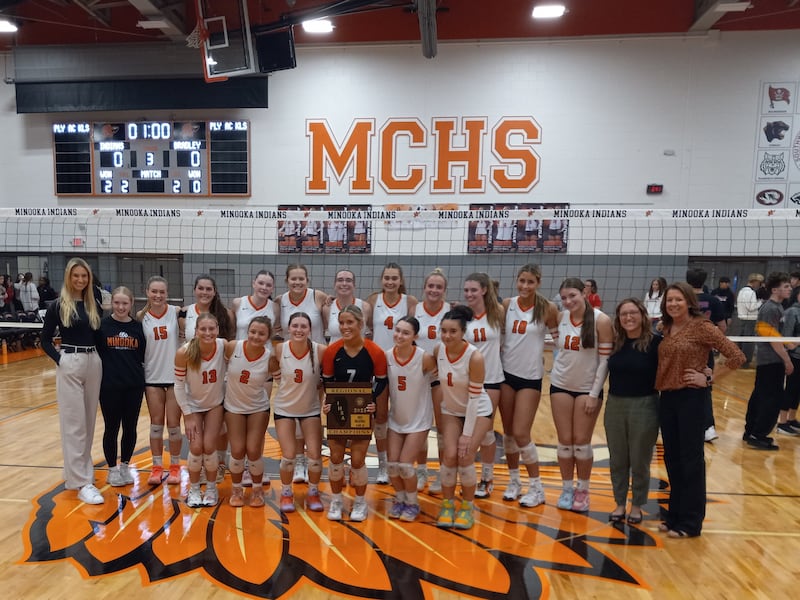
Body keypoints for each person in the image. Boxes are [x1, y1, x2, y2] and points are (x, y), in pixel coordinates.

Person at [656, 282, 745, 538]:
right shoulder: (666, 328)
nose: (673, 304)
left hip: (691, 399)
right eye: (669, 300)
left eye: (678, 299)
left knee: (691, 460)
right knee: (672, 459)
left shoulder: (702, 327)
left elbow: (737, 357)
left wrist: (708, 378)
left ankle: (691, 522)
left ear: (689, 302)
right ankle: (674, 515)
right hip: (667, 398)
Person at [40, 258, 104, 505]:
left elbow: (98, 337)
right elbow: (45, 340)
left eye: (84, 276)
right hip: (71, 360)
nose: (80, 280)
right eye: (76, 275)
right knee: (74, 424)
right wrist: (61, 360)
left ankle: (78, 473)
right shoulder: (58, 305)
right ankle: (82, 482)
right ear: (69, 277)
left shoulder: (93, 303)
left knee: (88, 422)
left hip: (93, 361)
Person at [549, 277, 614, 512]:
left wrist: (594, 394)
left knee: (581, 443)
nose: (568, 301)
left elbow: (605, 361)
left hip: (588, 389)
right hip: (560, 385)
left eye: (572, 296)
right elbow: (560, 349)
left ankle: (583, 490)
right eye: (564, 298)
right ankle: (567, 489)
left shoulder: (601, 320)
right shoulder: (561, 317)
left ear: (584, 294)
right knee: (565, 442)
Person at [500, 264, 559, 506]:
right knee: (508, 434)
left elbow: (560, 340)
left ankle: (537, 487)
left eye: (530, 282)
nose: (525, 286)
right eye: (521, 281)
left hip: (530, 377)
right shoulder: (507, 305)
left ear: (538, 283)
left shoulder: (548, 308)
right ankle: (514, 482)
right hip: (506, 374)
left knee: (521, 432)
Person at [322, 304, 388, 521]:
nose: (345, 327)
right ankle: (336, 500)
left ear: (361, 324)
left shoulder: (375, 351)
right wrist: (328, 402)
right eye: (341, 322)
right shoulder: (332, 351)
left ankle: (360, 502)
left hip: (361, 410)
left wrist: (372, 400)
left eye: (350, 322)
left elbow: (381, 380)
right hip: (338, 409)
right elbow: (328, 381)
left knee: (358, 460)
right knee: (335, 457)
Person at [434, 305, 494, 530]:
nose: (447, 336)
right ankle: (447, 505)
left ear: (463, 332)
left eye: (453, 331)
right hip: (451, 411)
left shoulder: (474, 357)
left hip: (478, 411)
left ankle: (467, 508)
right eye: (443, 331)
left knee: (466, 455)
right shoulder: (438, 350)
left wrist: (467, 435)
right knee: (449, 456)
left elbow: (475, 399)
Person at [604, 298, 661, 525]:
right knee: (617, 458)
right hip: (615, 405)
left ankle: (637, 505)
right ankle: (619, 503)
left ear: (642, 315)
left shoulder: (656, 343)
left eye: (633, 313)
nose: (628, 317)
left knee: (639, 460)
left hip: (645, 406)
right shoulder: (615, 343)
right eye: (623, 314)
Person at [269, 312, 327, 513]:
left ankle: (313, 492)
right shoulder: (280, 349)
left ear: (310, 329)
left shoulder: (320, 350)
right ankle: (286, 493)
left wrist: (323, 389)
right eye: (295, 326)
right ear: (288, 328)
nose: (299, 330)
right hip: (285, 408)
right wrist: (280, 380)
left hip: (310, 410)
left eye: (303, 326)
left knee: (315, 456)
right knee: (288, 456)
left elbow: (328, 375)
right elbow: (271, 365)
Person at [367, 262, 417, 484]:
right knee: (380, 417)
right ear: (381, 280)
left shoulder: (410, 302)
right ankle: (383, 465)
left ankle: (410, 464)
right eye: (386, 278)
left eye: (394, 278)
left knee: (403, 415)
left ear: (401, 280)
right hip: (379, 365)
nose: (390, 282)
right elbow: (366, 325)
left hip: (403, 365)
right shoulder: (373, 300)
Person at [279, 263, 328, 484]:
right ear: (287, 280)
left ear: (307, 280)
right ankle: (299, 461)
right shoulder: (279, 301)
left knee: (311, 413)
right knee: (294, 412)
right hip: (292, 360)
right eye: (293, 278)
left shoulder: (319, 297)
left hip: (315, 361)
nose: (297, 282)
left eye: (301, 278)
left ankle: (312, 459)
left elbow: (328, 325)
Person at [385, 316, 436, 521]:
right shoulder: (387, 356)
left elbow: (439, 381)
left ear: (415, 336)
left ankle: (413, 503)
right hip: (396, 419)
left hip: (419, 420)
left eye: (406, 333)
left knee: (406, 466)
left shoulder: (424, 358)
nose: (399, 335)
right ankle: (400, 499)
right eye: (397, 330)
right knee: (392, 466)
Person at [174, 312, 227, 508]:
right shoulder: (184, 352)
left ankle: (211, 488)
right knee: (196, 447)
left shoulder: (223, 346)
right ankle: (195, 488)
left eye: (211, 328)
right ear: (196, 331)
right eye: (203, 329)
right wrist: (187, 415)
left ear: (218, 330)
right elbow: (178, 386)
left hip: (215, 404)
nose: (207, 332)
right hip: (193, 405)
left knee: (209, 446)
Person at [96, 286, 146, 487]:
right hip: (109, 386)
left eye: (125, 303)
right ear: (112, 304)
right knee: (111, 427)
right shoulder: (102, 326)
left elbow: (142, 355)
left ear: (131, 304)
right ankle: (112, 469)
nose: (121, 307)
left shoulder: (138, 328)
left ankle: (125, 466)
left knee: (130, 427)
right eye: (117, 303)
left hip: (134, 386)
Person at [137, 276, 184, 485]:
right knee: (156, 425)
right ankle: (156, 468)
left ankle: (175, 467)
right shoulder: (141, 317)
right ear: (147, 292)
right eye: (154, 291)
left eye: (162, 292)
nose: (158, 295)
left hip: (174, 378)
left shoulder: (176, 312)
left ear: (167, 293)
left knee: (174, 425)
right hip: (152, 377)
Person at [462, 272, 505, 499]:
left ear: (484, 290)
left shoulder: (498, 313)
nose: (469, 294)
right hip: (467, 381)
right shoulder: (462, 317)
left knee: (487, 432)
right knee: (467, 430)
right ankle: (467, 476)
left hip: (492, 380)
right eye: (466, 290)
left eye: (474, 290)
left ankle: (487, 477)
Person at [224, 316, 273, 507]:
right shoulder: (232, 347)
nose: (256, 336)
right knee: (237, 450)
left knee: (253, 450)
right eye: (253, 331)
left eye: (261, 333)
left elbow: (284, 379)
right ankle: (236, 490)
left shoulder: (270, 358)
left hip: (258, 407)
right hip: (233, 406)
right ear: (247, 331)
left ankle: (257, 490)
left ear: (268, 337)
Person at [744, 272, 794, 450]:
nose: (789, 289)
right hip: (770, 361)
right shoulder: (770, 308)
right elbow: (771, 339)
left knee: (760, 395)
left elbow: (774, 335)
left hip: (770, 360)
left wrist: (789, 344)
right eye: (786, 286)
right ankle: (758, 434)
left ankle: (751, 431)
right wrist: (787, 360)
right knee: (771, 398)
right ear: (774, 290)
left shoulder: (777, 307)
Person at [412, 267, 450, 493]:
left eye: (439, 287)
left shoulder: (450, 311)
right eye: (430, 286)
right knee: (419, 426)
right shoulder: (415, 309)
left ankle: (444, 474)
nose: (434, 290)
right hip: (418, 376)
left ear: (445, 290)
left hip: (441, 377)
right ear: (424, 287)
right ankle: (422, 470)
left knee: (443, 429)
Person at [686, 267, 727, 444]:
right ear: (704, 281)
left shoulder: (680, 299)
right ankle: (707, 427)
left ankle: (678, 424)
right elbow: (722, 327)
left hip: (681, 350)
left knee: (677, 386)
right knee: (705, 387)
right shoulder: (713, 301)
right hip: (704, 351)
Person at [323, 269, 372, 343]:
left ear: (354, 286)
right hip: (335, 349)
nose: (344, 283)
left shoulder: (365, 307)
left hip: (358, 349)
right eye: (340, 280)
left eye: (348, 280)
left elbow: (373, 330)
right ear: (334, 285)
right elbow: (322, 332)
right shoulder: (327, 308)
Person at [181, 274, 234, 342]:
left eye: (208, 289)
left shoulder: (227, 314)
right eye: (200, 288)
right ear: (194, 291)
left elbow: (231, 339)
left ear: (214, 292)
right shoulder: (184, 312)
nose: (204, 292)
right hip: (193, 349)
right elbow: (182, 339)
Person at [231, 270, 278, 341]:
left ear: (272, 289)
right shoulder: (238, 303)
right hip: (241, 347)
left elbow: (275, 331)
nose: (264, 287)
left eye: (268, 285)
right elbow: (232, 330)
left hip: (265, 347)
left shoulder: (275, 307)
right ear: (253, 284)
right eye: (261, 283)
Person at [779, 294, 800, 434]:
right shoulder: (792, 312)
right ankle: (782, 422)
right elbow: (786, 338)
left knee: (797, 390)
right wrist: (794, 344)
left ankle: (792, 419)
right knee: (791, 388)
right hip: (794, 356)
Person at [736, 273, 764, 366]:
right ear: (755, 282)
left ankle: (739, 359)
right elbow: (751, 307)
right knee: (749, 341)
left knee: (742, 339)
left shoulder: (741, 291)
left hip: (742, 317)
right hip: (750, 319)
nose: (759, 285)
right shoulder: (751, 292)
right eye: (759, 283)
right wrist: (760, 302)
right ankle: (746, 361)